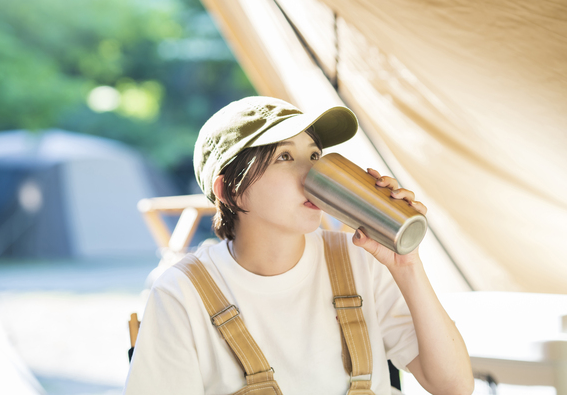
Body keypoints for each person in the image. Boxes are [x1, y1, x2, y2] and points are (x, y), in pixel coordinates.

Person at [124, 96, 474, 395]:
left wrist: (407, 265)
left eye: (315, 155)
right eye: (285, 157)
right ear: (229, 190)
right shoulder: (181, 292)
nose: (312, 173)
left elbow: (454, 386)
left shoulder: (360, 260)